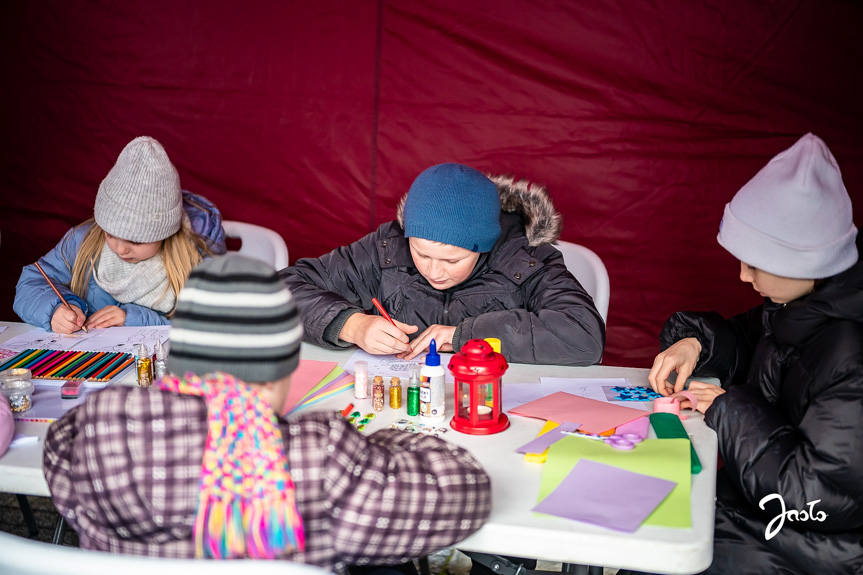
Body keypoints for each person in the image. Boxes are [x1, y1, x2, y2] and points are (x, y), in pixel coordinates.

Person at [43, 254, 492, 571]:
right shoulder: (320, 457)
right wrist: (383, 443)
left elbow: (58, 448)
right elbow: (465, 490)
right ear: (280, 372)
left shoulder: (98, 428)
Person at [643, 134, 863, 575]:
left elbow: (814, 500)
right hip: (750, 510)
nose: (743, 276)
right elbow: (746, 342)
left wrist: (729, 409)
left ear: (806, 262)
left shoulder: (852, 357)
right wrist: (695, 341)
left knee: (656, 547)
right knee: (646, 527)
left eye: (756, 264)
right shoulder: (791, 308)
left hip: (812, 549)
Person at [280, 162, 605, 366]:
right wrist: (351, 325)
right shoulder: (387, 247)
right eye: (422, 254)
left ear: (484, 246)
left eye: (453, 259)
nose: (434, 272)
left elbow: (584, 337)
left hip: (492, 410)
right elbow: (281, 289)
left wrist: (466, 336)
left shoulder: (525, 258)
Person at [14, 136, 225, 333]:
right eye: (110, 234)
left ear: (165, 233)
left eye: (136, 241)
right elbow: (32, 281)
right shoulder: (83, 240)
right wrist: (54, 310)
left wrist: (135, 318)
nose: (121, 249)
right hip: (94, 366)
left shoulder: (195, 254)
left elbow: (213, 323)